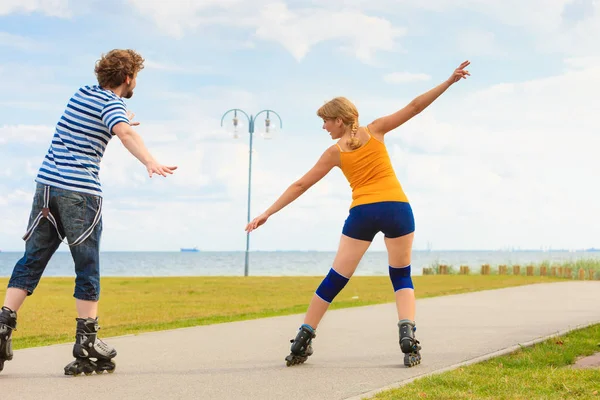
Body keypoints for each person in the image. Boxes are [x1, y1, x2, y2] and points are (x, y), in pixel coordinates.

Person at [245, 61, 471, 367]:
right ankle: (408, 338)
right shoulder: (376, 130)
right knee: (401, 275)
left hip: (363, 212)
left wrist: (267, 213)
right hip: (397, 209)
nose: (323, 127)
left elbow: (300, 185)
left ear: (339, 121)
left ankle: (302, 340)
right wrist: (449, 81)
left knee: (336, 278)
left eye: (325, 121)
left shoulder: (335, 153)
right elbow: (415, 106)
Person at [0, 49, 177, 376]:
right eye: (135, 75)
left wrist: (121, 120)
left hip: (46, 189)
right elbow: (124, 132)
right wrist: (149, 160)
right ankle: (87, 341)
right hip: (79, 193)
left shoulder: (81, 94)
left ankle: (1, 328)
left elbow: (105, 123)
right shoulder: (114, 105)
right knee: (87, 264)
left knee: (32, 259)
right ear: (128, 77)